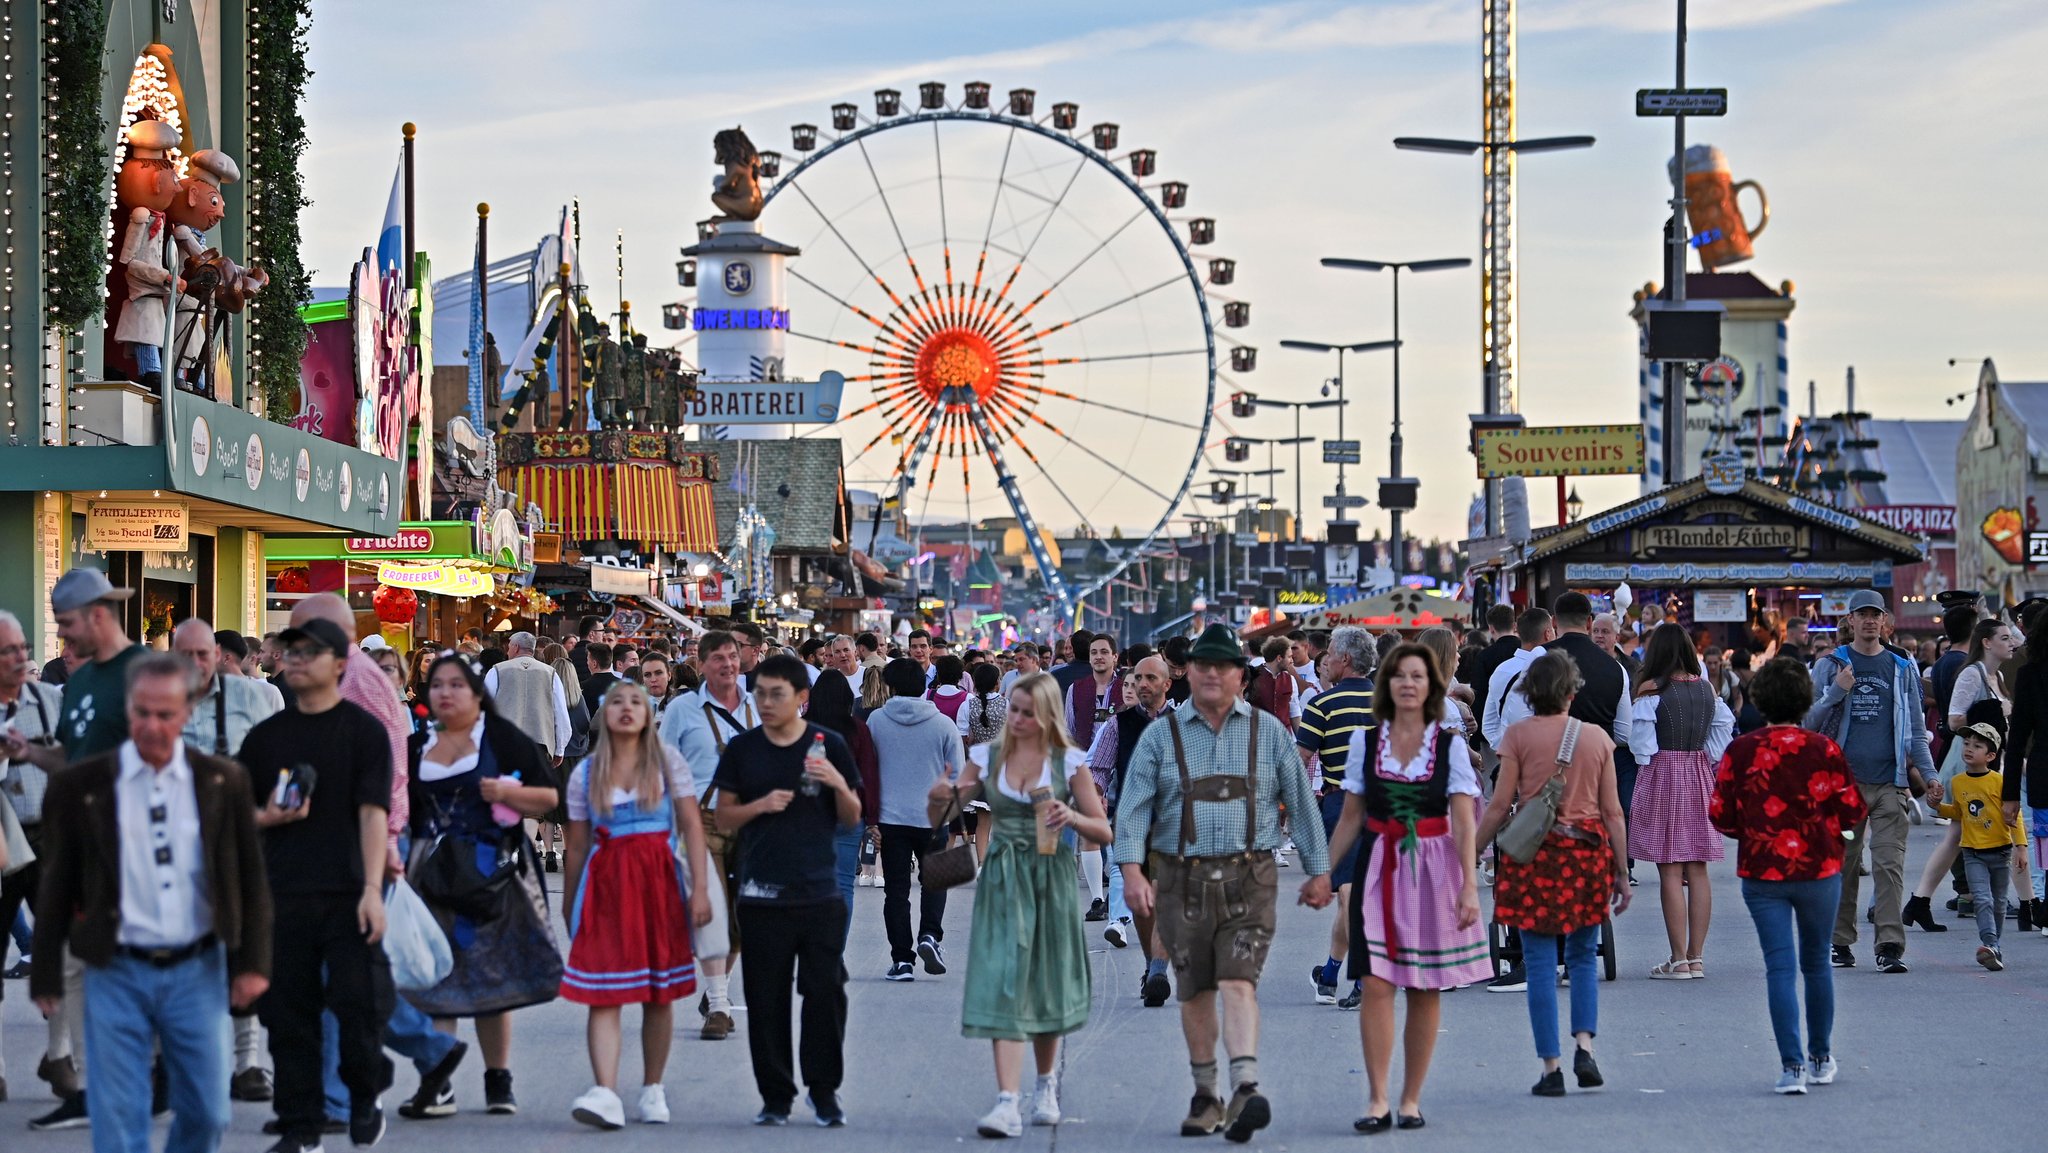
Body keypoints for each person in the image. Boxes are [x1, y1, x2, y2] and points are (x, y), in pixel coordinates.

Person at [29, 651, 274, 1153]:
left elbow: (252, 880)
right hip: (115, 970)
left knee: (208, 1114)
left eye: (166, 714)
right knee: (119, 1122)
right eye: (142, 713)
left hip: (197, 969)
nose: (152, 726)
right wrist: (46, 971)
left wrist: (253, 964)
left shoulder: (223, 782)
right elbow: (57, 883)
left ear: (187, 712)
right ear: (128, 710)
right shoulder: (83, 786)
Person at [1115, 623, 1331, 1143]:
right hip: (1179, 878)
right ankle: (1206, 1093)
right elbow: (1132, 808)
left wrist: (1319, 869)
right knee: (1194, 990)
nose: (1213, 674)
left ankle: (1245, 1085)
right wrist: (1130, 872)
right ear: (1186, 672)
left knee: (1237, 980)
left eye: (1224, 666)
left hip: (1248, 876)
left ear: (1241, 675)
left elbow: (1301, 805)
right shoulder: (1159, 737)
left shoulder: (1270, 733)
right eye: (1203, 665)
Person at [239, 618, 397, 1153]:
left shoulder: (364, 731)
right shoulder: (266, 737)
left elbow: (374, 813)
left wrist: (374, 890)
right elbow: (241, 814)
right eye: (291, 650)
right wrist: (268, 818)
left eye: (311, 651)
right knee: (289, 1015)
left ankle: (365, 1092)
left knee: (358, 1006)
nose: (297, 659)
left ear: (339, 663)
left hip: (349, 890)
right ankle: (301, 1126)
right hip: (283, 891)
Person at [1322, 643, 1489, 1132]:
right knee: (1375, 982)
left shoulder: (1449, 746)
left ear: (1431, 686)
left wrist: (1469, 888)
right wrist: (1323, 873)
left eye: (1418, 676)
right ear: (1387, 686)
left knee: (1423, 986)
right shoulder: (1366, 743)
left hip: (1435, 869)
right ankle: (1377, 1098)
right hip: (1379, 865)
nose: (1409, 684)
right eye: (1400, 676)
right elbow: (1352, 816)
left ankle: (1411, 1098)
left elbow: (1463, 821)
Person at [941, 672, 1110, 1138]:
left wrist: (1071, 815)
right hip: (1002, 877)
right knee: (1004, 977)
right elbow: (945, 809)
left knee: (1045, 979)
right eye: (1012, 709)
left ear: (1047, 715)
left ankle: (1044, 1085)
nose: (1015, 718)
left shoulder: (1068, 762)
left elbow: (1103, 830)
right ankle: (1006, 1100)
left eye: (1026, 711)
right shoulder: (988, 756)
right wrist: (943, 795)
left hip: (1050, 877)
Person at [8, 569, 148, 1130]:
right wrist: (32, 754)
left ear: (96, 614)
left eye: (66, 625)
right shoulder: (84, 683)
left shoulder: (139, 673)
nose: (62, 640)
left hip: (129, 848)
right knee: (76, 965)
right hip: (82, 845)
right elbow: (71, 757)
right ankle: (91, 1083)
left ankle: (147, 1078)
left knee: (129, 970)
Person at [403, 654, 561, 1116]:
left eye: (456, 685)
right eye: (437, 685)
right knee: (437, 977)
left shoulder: (501, 737)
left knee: (490, 977)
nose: (446, 693)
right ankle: (439, 1082)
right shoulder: (417, 745)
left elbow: (549, 796)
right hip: (432, 874)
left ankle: (498, 1079)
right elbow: (407, 812)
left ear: (477, 694)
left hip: (494, 872)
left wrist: (509, 794)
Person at [710, 654, 862, 1127]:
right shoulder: (744, 749)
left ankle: (824, 1091)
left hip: (819, 891)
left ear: (802, 698)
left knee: (825, 993)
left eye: (778, 694)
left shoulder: (828, 744)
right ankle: (775, 1095)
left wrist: (837, 782)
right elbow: (723, 815)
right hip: (761, 892)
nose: (768, 702)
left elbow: (852, 815)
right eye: (761, 693)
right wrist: (760, 806)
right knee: (765, 997)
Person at [1477, 652, 1631, 1098]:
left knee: (1541, 965)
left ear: (1529, 693)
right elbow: (1613, 813)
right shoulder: (1597, 738)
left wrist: (1469, 853)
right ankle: (1584, 1044)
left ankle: (1551, 1067)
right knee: (1583, 957)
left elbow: (1498, 806)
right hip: (1585, 856)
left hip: (1534, 859)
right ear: (1571, 691)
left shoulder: (1517, 736)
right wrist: (1621, 870)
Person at [1711, 657, 1868, 1094]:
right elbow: (1853, 809)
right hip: (1820, 867)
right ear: (1805, 699)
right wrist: (1835, 832)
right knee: (1817, 963)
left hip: (1762, 870)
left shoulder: (1741, 751)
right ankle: (1821, 1056)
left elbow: (1720, 814)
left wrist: (1754, 831)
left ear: (1759, 699)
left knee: (1779, 967)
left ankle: (1791, 1067)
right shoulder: (1824, 749)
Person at [560, 680, 713, 1129]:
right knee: (603, 994)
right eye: (616, 703)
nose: (626, 709)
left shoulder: (667, 762)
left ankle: (652, 1088)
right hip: (606, 885)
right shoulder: (586, 773)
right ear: (604, 715)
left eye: (636, 702)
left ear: (649, 715)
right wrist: (571, 904)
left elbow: (692, 826)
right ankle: (605, 1091)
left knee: (657, 992)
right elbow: (575, 848)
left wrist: (700, 890)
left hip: (658, 881)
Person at [1805, 589, 1934, 973]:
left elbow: (1915, 727)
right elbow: (1809, 722)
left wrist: (1928, 776)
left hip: (1890, 785)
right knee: (1843, 863)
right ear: (1849, 620)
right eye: (1861, 614)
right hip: (1843, 788)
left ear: (1884, 621)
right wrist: (1837, 692)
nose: (1869, 621)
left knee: (1889, 865)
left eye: (1875, 614)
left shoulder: (1900, 665)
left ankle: (1890, 944)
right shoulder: (1831, 665)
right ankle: (1841, 941)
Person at [658, 630, 756, 1040]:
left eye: (732, 656)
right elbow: (661, 765)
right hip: (702, 821)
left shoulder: (758, 704)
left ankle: (717, 988)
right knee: (713, 909)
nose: (727, 664)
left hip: (752, 822)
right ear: (701, 664)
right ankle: (718, 1006)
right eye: (717, 658)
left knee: (744, 916)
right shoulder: (682, 709)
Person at [1627, 623, 1735, 979]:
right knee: (1698, 869)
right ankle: (1696, 957)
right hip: (1698, 772)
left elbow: (1640, 747)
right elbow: (1723, 732)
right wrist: (1703, 755)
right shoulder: (1707, 689)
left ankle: (1678, 958)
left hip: (1664, 773)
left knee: (1670, 871)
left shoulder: (1652, 691)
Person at [0, 609, 74, 1101]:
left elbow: (77, 761)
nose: (19, 657)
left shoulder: (52, 700)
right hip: (1, 842)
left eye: (22, 647)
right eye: (7, 650)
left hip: (49, 837)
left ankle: (60, 1054)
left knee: (64, 951)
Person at [1906, 616, 2014, 930]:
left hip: (1991, 766)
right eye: (2004, 638)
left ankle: (1919, 902)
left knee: (1956, 837)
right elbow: (1955, 721)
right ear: (1987, 642)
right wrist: (1997, 711)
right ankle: (2029, 904)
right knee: (1981, 833)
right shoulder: (1972, 674)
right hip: (1970, 766)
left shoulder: (1998, 675)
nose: (2011, 643)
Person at [867, 657, 966, 980]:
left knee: (896, 890)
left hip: (890, 819)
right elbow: (959, 775)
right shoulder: (943, 724)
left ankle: (902, 960)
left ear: (891, 686)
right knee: (935, 882)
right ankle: (930, 936)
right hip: (933, 817)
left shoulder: (877, 721)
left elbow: (869, 770)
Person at [1296, 625, 1377, 1011]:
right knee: (1361, 896)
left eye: (1329, 652)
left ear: (1344, 659)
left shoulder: (1322, 705)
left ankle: (1358, 977)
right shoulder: (1389, 701)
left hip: (1341, 803)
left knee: (1349, 895)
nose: (1324, 659)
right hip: (1385, 803)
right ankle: (1330, 974)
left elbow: (1301, 762)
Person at [1089, 656, 1173, 984]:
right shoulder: (1118, 724)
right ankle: (1153, 964)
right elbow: (1100, 769)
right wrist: (1094, 798)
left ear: (1167, 684)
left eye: (1150, 678)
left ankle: (1158, 970)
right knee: (1140, 904)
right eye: (1137, 678)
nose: (1142, 684)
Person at [1930, 722, 2025, 970]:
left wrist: (2021, 847)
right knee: (1982, 899)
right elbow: (1959, 813)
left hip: (2001, 850)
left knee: (1999, 902)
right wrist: (1938, 806)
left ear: (1991, 755)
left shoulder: (1999, 782)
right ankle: (1989, 944)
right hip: (1973, 853)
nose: (1969, 749)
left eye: (1978, 745)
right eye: (1967, 744)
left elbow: (2016, 815)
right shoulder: (1958, 782)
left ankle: (1995, 946)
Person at [804, 670, 882, 942]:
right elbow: (868, 777)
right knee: (844, 884)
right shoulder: (857, 729)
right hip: (850, 815)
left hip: (809, 817)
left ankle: (813, 944)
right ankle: (834, 948)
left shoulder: (802, 727)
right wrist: (872, 819)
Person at [482, 631, 572, 770]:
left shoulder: (497, 671)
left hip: (504, 745)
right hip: (540, 746)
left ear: (516, 647)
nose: (507, 651)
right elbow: (561, 715)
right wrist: (559, 750)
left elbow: (483, 709)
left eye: (509, 647)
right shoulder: (551, 674)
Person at [1481, 608, 1553, 748]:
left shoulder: (1501, 670)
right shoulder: (1552, 670)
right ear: (1548, 634)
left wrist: (1504, 749)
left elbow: (1488, 724)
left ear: (1518, 631)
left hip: (1509, 752)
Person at [582, 642, 620, 708]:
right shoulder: (622, 685)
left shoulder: (584, 687)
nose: (587, 663)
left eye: (588, 660)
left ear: (594, 664)